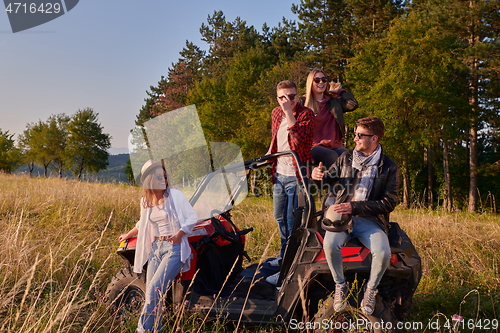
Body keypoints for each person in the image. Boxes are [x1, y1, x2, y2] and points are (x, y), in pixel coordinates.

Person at [311, 117, 399, 315]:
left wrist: (355, 207)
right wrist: (318, 176)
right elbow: (328, 180)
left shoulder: (389, 167)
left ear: (374, 138)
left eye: (360, 135)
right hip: (342, 218)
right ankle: (340, 285)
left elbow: (390, 202)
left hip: (370, 220)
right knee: (330, 245)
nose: (355, 138)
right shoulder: (346, 158)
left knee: (383, 253)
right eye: (355, 134)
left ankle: (371, 290)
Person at [119, 160, 198, 333]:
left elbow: (192, 217)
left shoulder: (175, 195)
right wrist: (128, 235)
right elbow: (143, 223)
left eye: (164, 176)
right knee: (153, 293)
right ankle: (156, 329)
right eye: (157, 176)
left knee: (154, 291)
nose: (162, 179)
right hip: (155, 248)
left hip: (173, 249)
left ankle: (143, 330)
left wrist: (179, 234)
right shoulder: (145, 201)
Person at [265, 80, 314, 281]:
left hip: (298, 174)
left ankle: (290, 263)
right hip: (280, 172)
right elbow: (276, 135)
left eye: (292, 96)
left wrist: (289, 113)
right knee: (279, 217)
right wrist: (270, 151)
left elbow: (298, 139)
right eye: (282, 98)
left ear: (299, 96)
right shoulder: (276, 113)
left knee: (293, 220)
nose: (287, 101)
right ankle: (283, 255)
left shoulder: (306, 114)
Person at [303, 68, 358, 169]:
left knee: (351, 156)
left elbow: (352, 104)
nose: (321, 82)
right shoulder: (303, 103)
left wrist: (340, 92)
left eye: (324, 79)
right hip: (313, 147)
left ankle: (348, 184)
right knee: (330, 156)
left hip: (335, 146)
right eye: (317, 80)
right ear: (311, 82)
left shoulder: (333, 102)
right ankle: (329, 184)